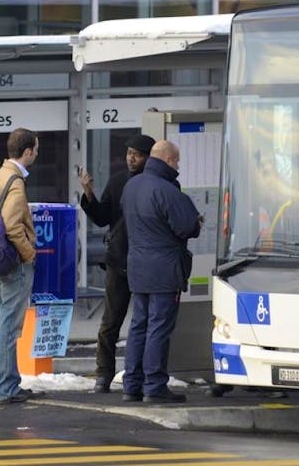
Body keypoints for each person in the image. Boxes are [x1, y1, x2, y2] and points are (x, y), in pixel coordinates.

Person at [120, 140, 202, 403]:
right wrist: (197, 222)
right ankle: (154, 385)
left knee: (138, 326)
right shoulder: (167, 190)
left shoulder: (131, 186)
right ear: (168, 159)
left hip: (137, 267)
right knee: (158, 327)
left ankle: (131, 385)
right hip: (165, 270)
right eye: (177, 161)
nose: (178, 167)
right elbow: (187, 227)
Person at [78, 133, 155, 393]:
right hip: (119, 259)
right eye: (129, 153)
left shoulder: (157, 184)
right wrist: (88, 193)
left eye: (137, 155)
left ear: (148, 158)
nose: (131, 159)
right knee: (111, 322)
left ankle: (141, 373)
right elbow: (102, 217)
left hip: (145, 262)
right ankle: (104, 374)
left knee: (145, 323)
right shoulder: (118, 180)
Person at [0, 128, 45, 404]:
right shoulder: (16, 182)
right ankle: (7, 387)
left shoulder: (0, 174)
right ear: (27, 151)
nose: (37, 154)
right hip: (14, 260)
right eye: (36, 149)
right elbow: (12, 226)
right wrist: (29, 254)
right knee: (9, 325)